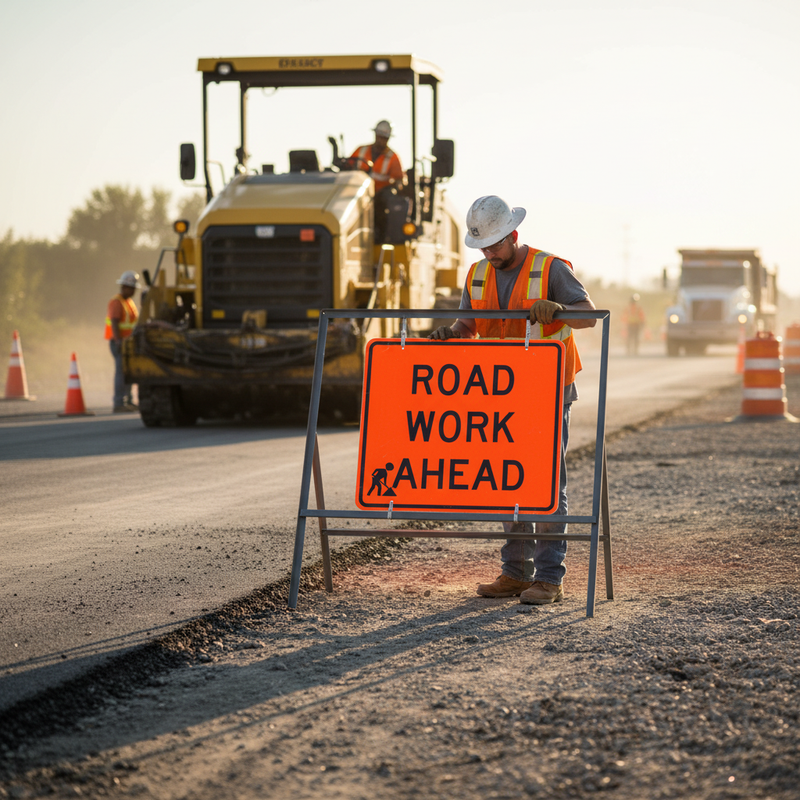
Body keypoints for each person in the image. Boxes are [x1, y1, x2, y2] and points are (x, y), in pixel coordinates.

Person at [429, 195, 596, 605]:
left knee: (546, 484)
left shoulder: (550, 268)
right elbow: (469, 324)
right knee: (508, 480)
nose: (489, 253)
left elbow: (589, 314)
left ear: (514, 235)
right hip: (500, 394)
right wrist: (452, 333)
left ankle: (550, 578)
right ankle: (516, 573)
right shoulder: (476, 274)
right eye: (483, 246)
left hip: (549, 390)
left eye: (496, 245)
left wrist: (558, 309)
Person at [348, 120, 405, 243]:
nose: (381, 140)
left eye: (384, 138)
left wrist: (391, 189)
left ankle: (380, 239)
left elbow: (399, 179)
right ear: (375, 135)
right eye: (379, 136)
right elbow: (348, 166)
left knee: (381, 214)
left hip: (379, 196)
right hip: (357, 192)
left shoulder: (392, 157)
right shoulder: (361, 150)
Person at [105, 271, 140, 413]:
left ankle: (128, 401)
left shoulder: (128, 302)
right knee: (121, 372)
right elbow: (114, 322)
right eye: (131, 288)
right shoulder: (117, 302)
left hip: (128, 343)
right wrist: (119, 340)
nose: (133, 291)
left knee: (128, 372)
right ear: (124, 287)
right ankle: (119, 403)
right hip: (119, 343)